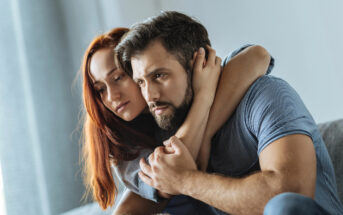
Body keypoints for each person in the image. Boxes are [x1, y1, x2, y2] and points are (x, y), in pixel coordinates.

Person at [116, 11, 343, 215]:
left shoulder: (265, 95)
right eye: (140, 82)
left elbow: (291, 195)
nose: (150, 95)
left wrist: (186, 180)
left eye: (159, 76)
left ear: (200, 63)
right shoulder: (171, 135)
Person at [81, 26, 271, 214]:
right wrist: (204, 98)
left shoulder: (183, 88)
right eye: (101, 89)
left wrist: (206, 131)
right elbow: (172, 171)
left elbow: (258, 55)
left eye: (117, 78)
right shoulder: (124, 148)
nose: (112, 96)